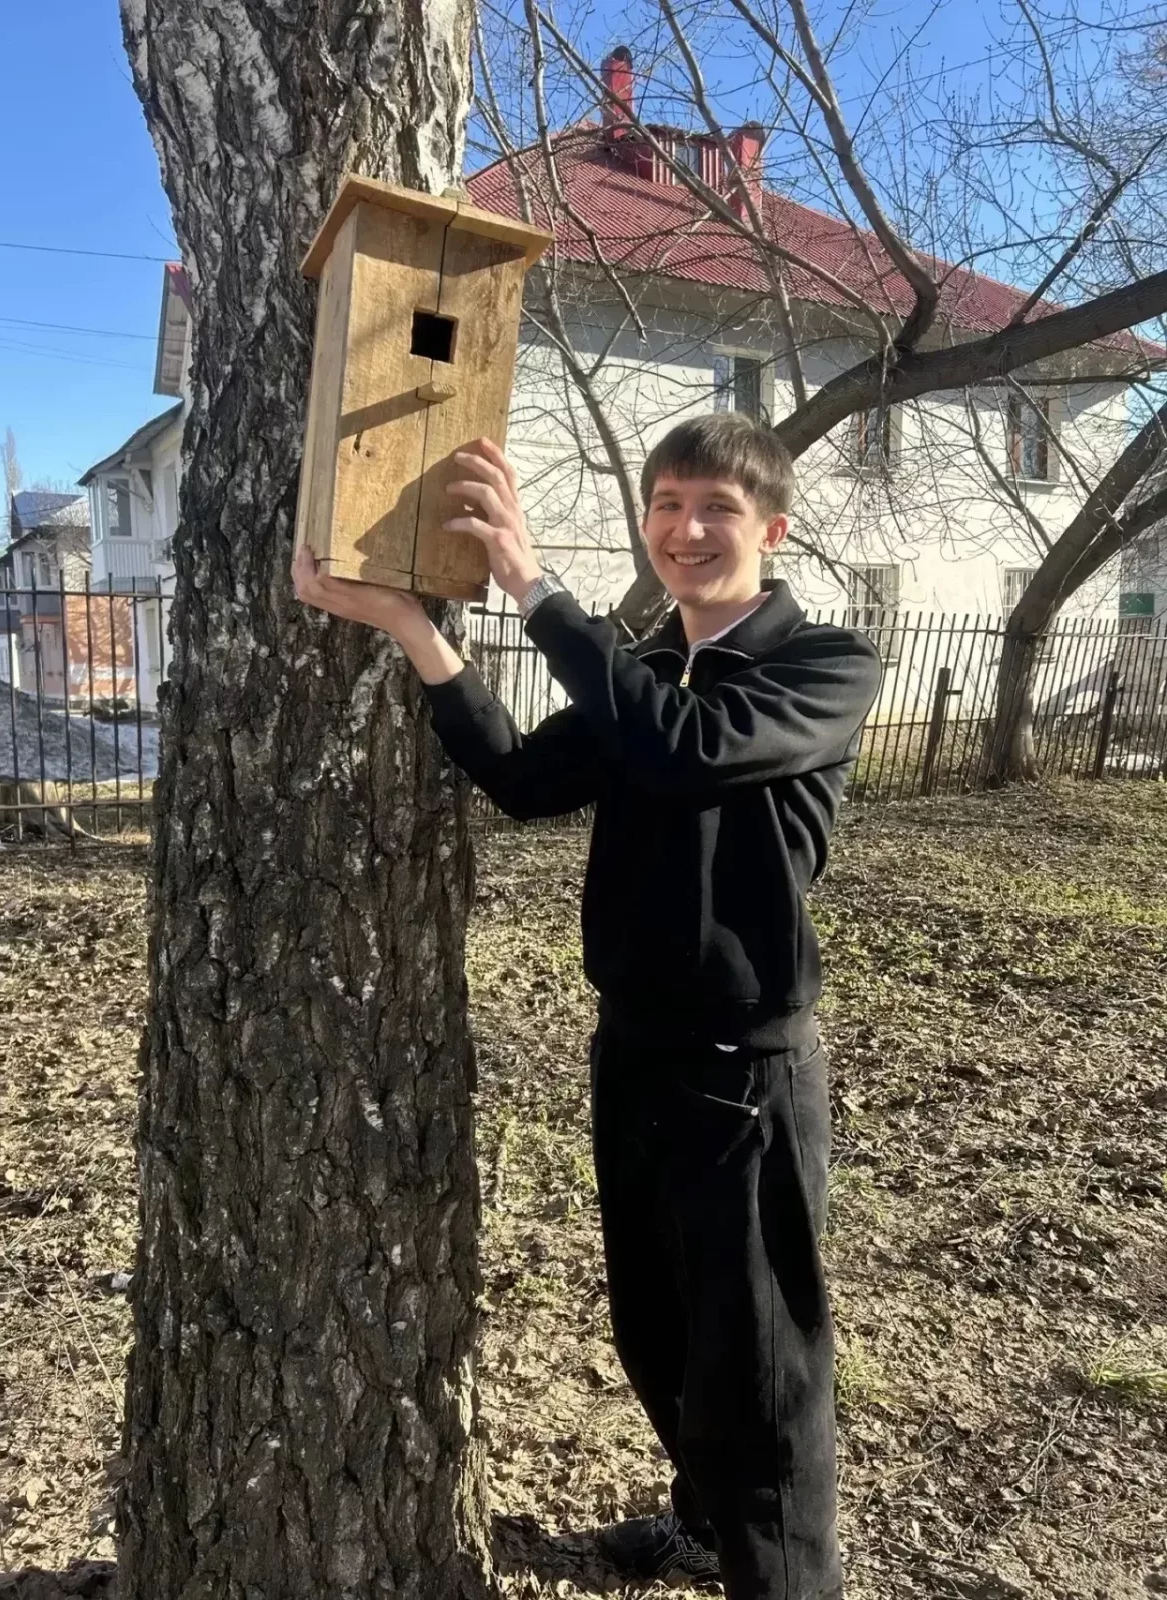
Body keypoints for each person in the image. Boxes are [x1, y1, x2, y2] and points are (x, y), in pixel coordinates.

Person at [293, 413, 882, 1600]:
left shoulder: (823, 666)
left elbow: (688, 751)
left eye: (716, 508)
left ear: (772, 530)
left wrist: (533, 585)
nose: (686, 529)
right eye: (666, 504)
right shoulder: (646, 671)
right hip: (634, 1052)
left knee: (760, 1371)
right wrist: (411, 626)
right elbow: (523, 777)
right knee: (657, 1332)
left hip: (744, 1070)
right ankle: (705, 1526)